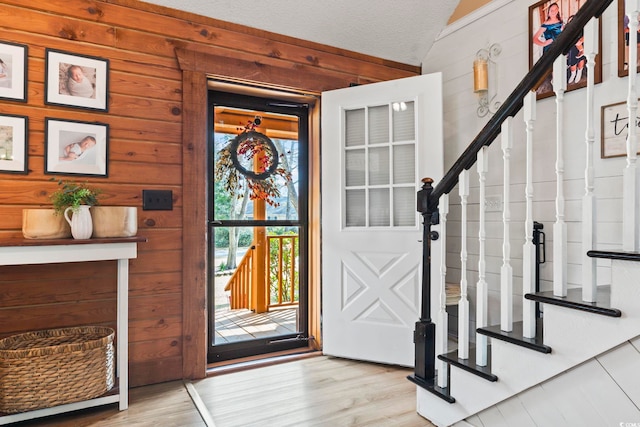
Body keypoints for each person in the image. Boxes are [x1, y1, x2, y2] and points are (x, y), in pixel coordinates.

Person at [566, 15, 586, 84]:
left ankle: (579, 72)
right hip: (572, 47)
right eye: (570, 22)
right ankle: (573, 74)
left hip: (581, 44)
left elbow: (585, 35)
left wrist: (581, 41)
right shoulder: (567, 31)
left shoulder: (582, 27)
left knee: (581, 59)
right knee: (572, 62)